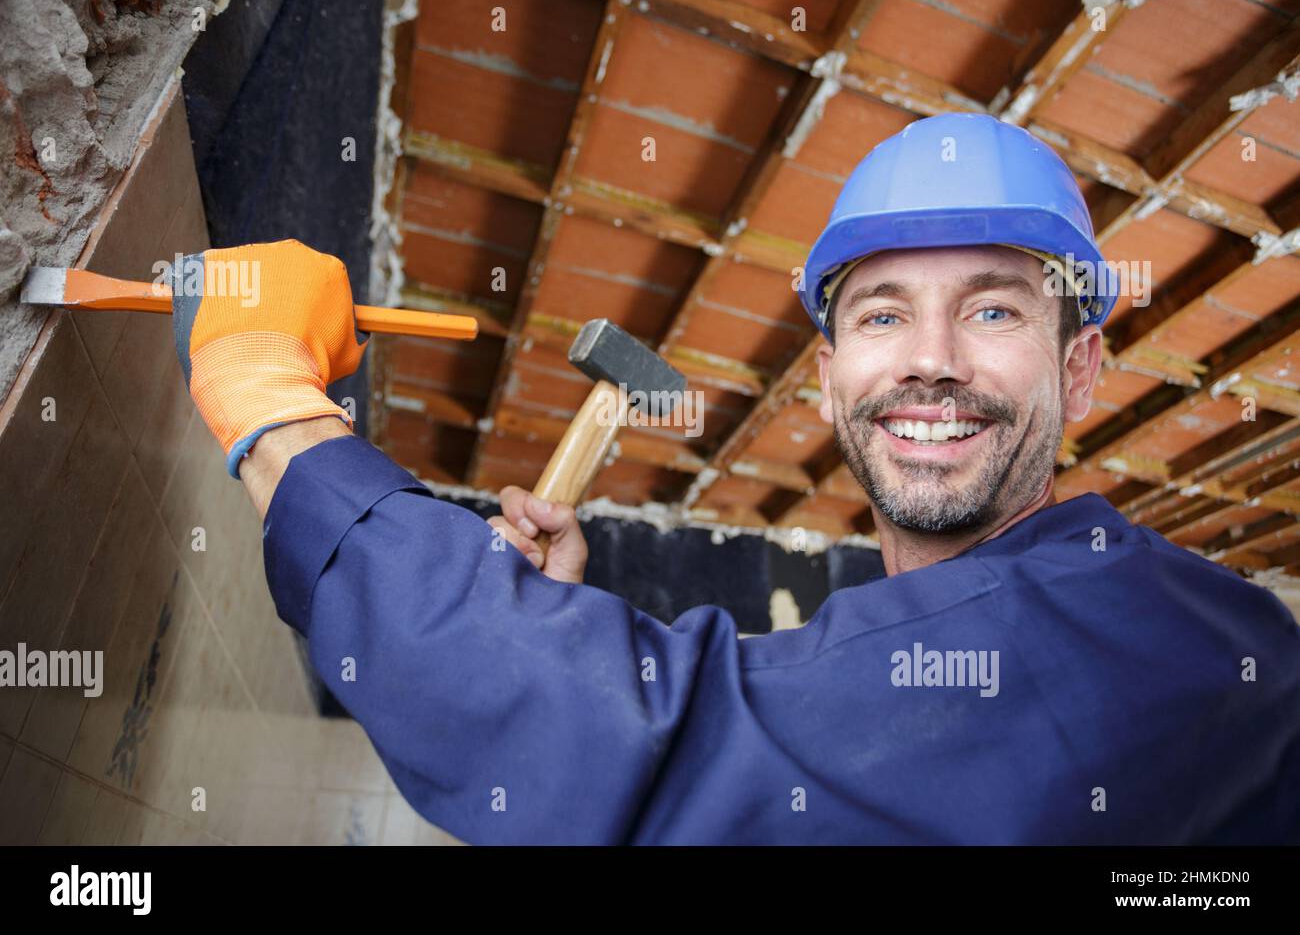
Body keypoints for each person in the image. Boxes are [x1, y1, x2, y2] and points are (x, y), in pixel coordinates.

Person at [171, 113, 1300, 843]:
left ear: (1080, 365)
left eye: (995, 307)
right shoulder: (935, 638)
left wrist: (270, 399)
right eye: (882, 312)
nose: (930, 360)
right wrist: (553, 621)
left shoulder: (1140, 642)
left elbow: (633, 753)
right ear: (827, 376)